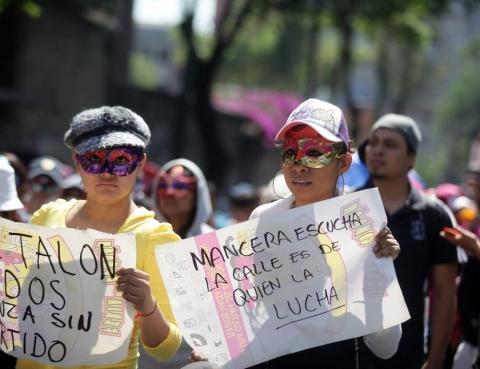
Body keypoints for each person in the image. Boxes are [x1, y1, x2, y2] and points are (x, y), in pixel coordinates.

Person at [15, 106, 182, 369]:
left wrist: (148, 305)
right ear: (76, 162)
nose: (106, 172)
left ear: (140, 164)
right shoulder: (46, 217)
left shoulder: (156, 237)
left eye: (120, 160)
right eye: (92, 158)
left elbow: (166, 350)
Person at [245, 98, 402, 368]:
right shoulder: (262, 219)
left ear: (343, 163)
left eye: (314, 153)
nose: (299, 165)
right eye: (290, 152)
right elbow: (244, 310)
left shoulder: (362, 227)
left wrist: (380, 275)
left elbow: (385, 347)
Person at [357, 113, 458, 369]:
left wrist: (435, 359)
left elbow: (445, 291)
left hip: (408, 355)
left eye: (390, 145)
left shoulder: (435, 215)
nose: (378, 150)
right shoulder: (344, 207)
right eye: (374, 142)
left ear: (411, 157)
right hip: (352, 353)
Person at [150, 158, 214, 239]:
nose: (169, 192)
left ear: (197, 195)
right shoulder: (146, 239)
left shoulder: (212, 242)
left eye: (179, 186)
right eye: (163, 186)